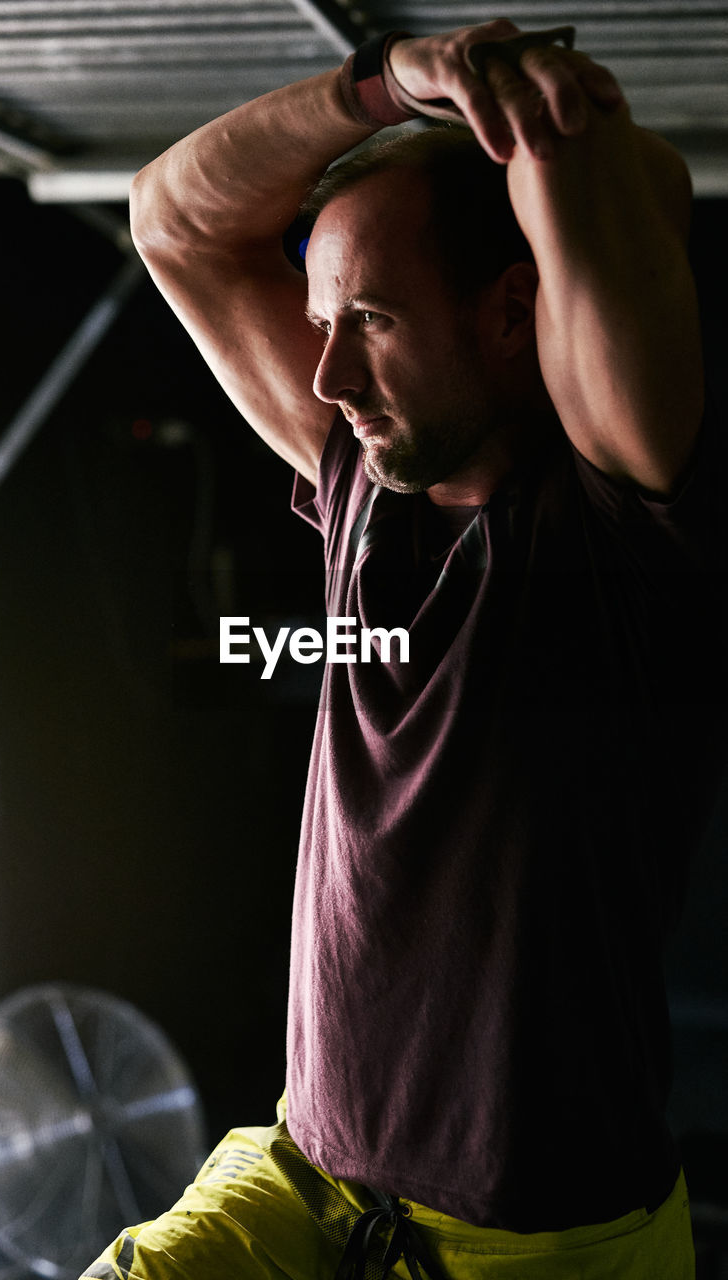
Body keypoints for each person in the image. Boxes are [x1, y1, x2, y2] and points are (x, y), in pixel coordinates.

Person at [82, 19, 726, 1280]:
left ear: (506, 314)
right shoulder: (359, 485)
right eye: (322, 319)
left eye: (366, 318)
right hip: (304, 1174)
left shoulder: (609, 525)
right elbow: (169, 217)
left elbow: (635, 207)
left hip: (537, 1247)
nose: (323, 372)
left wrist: (531, 119)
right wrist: (383, 83)